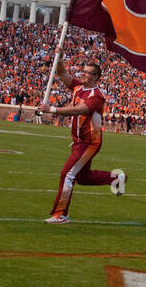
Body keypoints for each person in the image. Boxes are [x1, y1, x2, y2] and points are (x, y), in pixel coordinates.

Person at [41, 59, 124, 225]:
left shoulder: (97, 96)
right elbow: (63, 74)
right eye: (83, 71)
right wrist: (60, 57)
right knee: (83, 178)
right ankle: (116, 178)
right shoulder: (78, 88)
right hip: (78, 141)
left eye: (87, 72)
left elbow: (80, 110)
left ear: (95, 77)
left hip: (89, 142)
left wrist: (52, 109)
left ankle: (61, 213)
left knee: (67, 174)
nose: (83, 74)